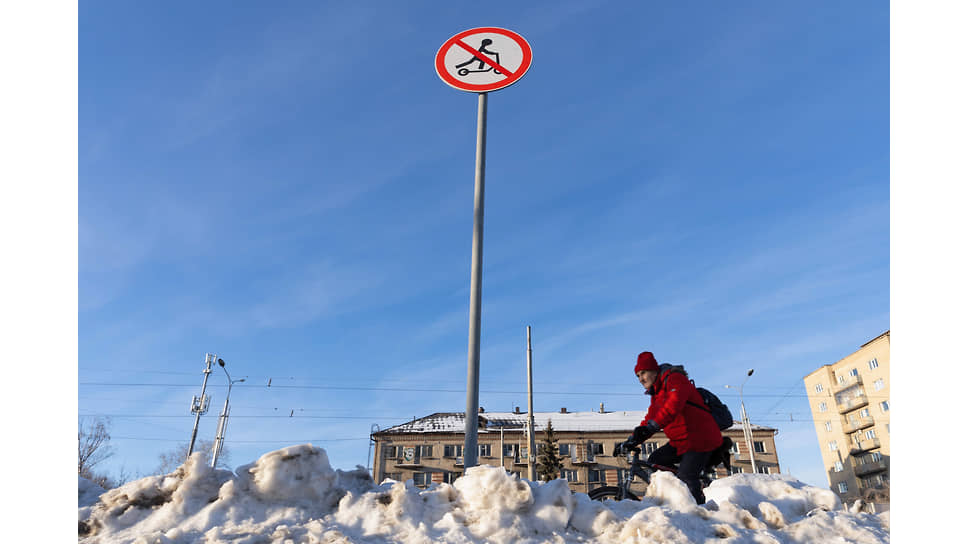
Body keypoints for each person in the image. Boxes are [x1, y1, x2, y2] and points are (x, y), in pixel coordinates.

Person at [620, 351, 724, 505]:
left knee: (686, 476)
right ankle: (677, 494)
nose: (641, 379)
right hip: (681, 441)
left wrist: (651, 427)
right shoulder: (657, 393)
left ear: (654, 371)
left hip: (700, 437)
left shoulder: (675, 379)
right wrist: (632, 440)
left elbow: (673, 406)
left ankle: (700, 512)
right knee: (655, 460)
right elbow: (650, 418)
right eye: (638, 376)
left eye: (643, 373)